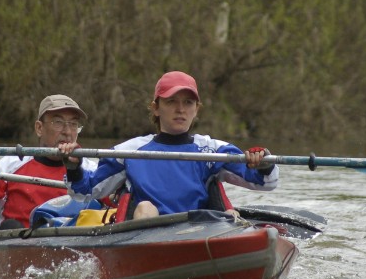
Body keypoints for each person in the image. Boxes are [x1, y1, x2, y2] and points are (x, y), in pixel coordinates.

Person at [58, 71, 277, 219]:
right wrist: (74, 167)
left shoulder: (215, 150)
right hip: (147, 235)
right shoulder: (129, 152)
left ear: (196, 110)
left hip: (200, 234)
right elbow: (86, 191)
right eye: (171, 102)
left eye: (188, 103)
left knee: (231, 217)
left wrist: (263, 163)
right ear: (156, 108)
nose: (180, 109)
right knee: (145, 208)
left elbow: (264, 183)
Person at [0, 94, 96, 232]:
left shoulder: (93, 170)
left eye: (73, 124)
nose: (67, 132)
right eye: (58, 122)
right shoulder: (9, 167)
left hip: (72, 244)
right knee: (10, 227)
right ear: (39, 128)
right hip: (18, 245)